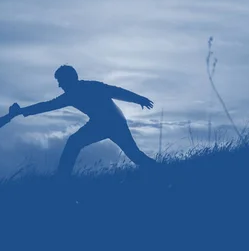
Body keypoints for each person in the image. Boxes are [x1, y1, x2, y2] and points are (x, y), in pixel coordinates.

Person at [18, 65, 157, 178]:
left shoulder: (92, 87)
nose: (59, 85)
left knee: (134, 155)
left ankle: (61, 179)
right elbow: (47, 105)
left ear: (69, 79)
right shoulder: (71, 95)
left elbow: (117, 91)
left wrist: (139, 99)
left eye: (60, 81)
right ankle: (62, 178)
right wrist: (22, 111)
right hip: (102, 123)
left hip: (114, 123)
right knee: (74, 143)